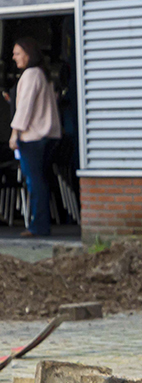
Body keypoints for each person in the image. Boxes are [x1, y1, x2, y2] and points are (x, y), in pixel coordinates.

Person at [8, 37, 62, 237]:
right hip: (49, 136)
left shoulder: (30, 75)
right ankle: (41, 223)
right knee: (42, 180)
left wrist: (15, 134)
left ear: (28, 54)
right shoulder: (43, 75)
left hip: (33, 138)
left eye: (17, 53)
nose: (14, 57)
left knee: (34, 181)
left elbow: (25, 108)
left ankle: (38, 226)